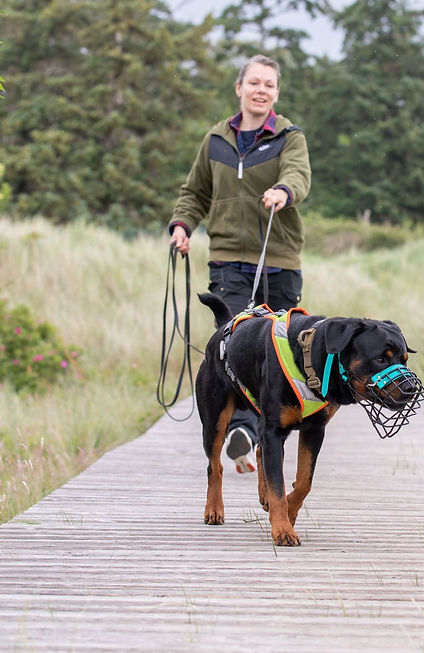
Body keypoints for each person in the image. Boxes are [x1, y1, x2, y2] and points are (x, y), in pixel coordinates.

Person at [168, 54, 311, 474]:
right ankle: (245, 431)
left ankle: (260, 432)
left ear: (276, 93)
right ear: (239, 88)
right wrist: (182, 224)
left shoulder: (289, 136)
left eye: (269, 84)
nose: (261, 89)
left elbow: (299, 175)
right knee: (236, 345)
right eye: (254, 82)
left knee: (280, 352)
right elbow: (194, 191)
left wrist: (284, 190)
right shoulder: (216, 139)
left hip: (279, 259)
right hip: (228, 257)